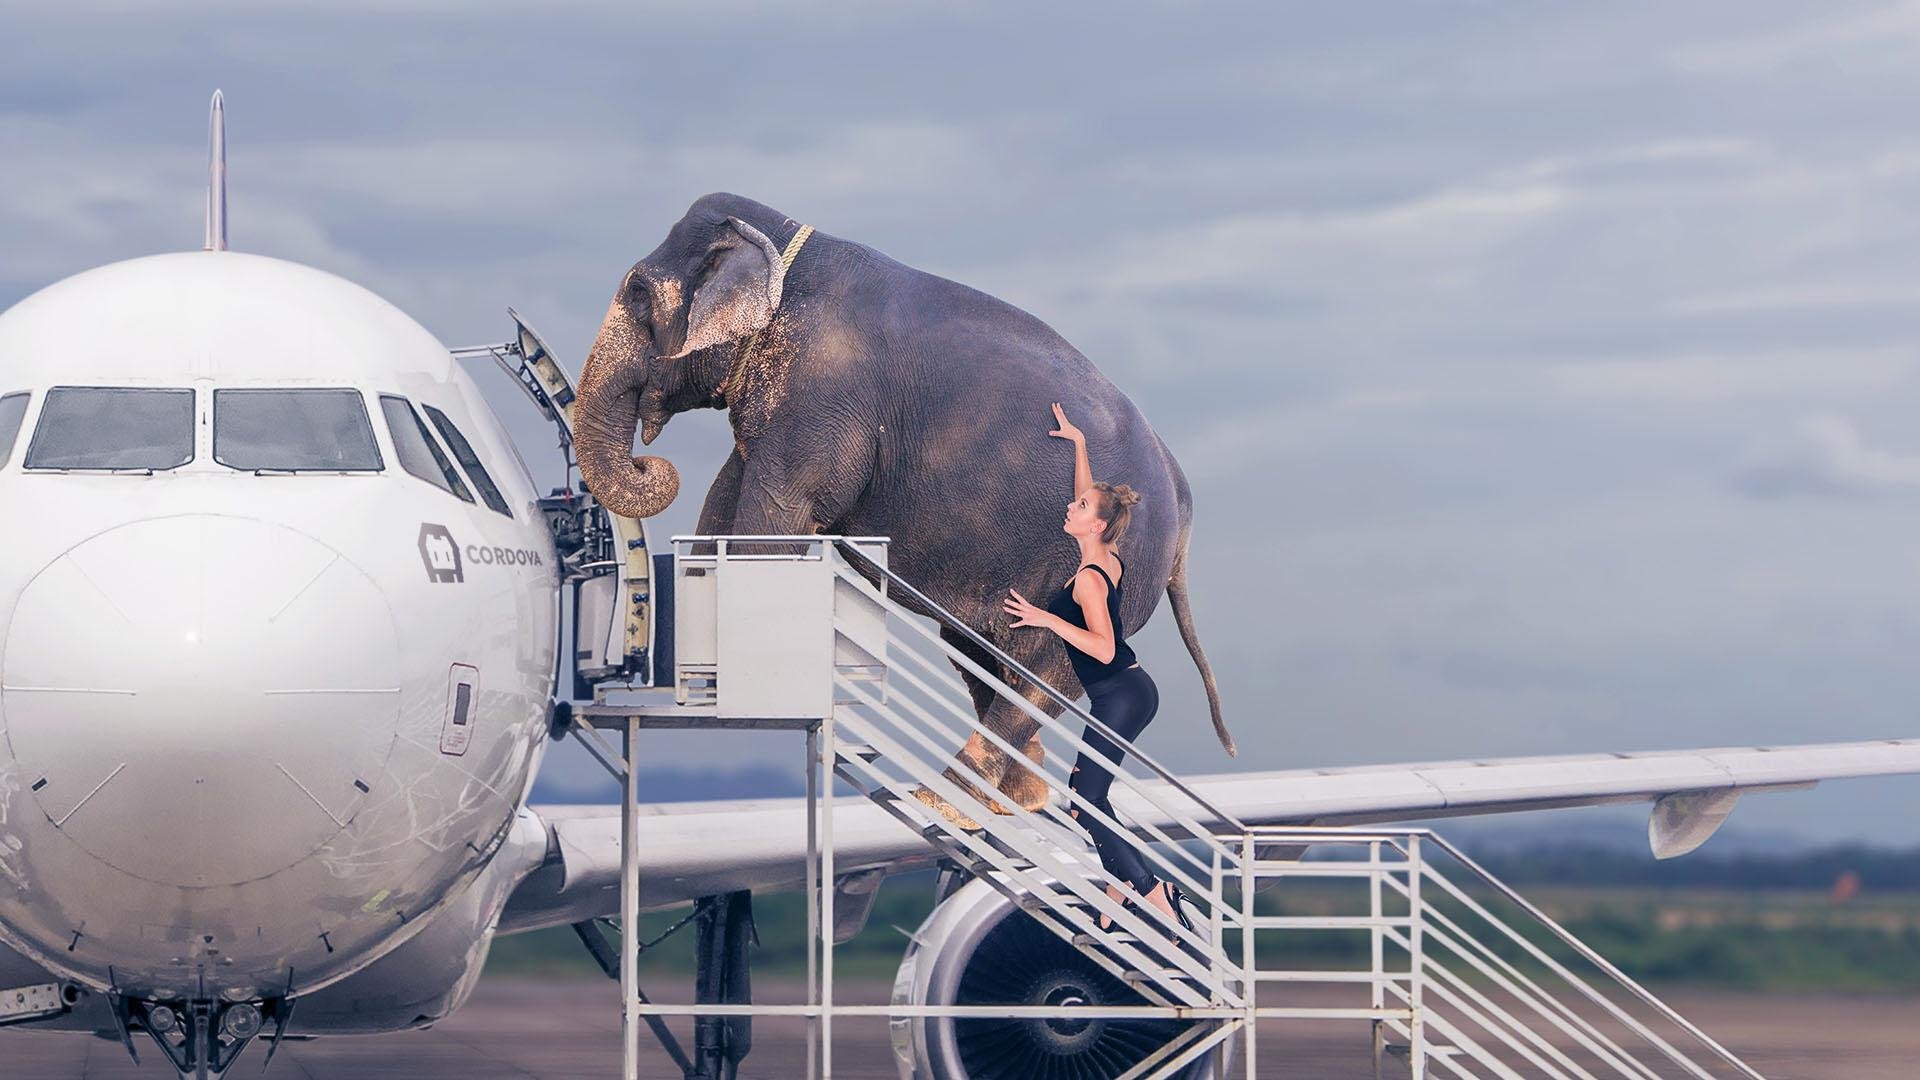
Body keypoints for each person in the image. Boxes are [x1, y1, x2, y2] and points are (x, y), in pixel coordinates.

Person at [1004, 403, 1192, 933]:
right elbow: (1094, 497)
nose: (1072, 506)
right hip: (1125, 692)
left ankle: (1153, 892)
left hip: (1120, 690)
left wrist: (1044, 617)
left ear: (1099, 524)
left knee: (1086, 799)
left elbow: (1105, 648)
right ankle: (1120, 881)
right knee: (1088, 797)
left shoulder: (1089, 577)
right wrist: (1079, 444)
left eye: (1080, 505)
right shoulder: (1105, 552)